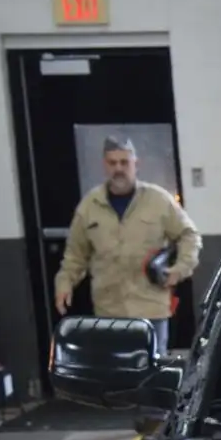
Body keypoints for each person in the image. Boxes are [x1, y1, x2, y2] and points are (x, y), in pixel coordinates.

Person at [53, 137, 201, 345]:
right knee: (115, 366)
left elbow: (189, 235)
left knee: (151, 365)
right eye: (112, 163)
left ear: (136, 164)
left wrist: (181, 268)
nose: (118, 169)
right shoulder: (89, 206)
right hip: (109, 314)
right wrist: (64, 283)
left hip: (151, 310)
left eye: (124, 162)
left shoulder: (158, 200)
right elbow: (75, 256)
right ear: (104, 165)